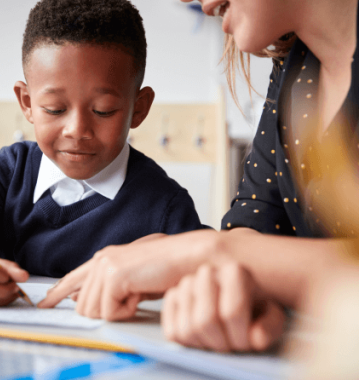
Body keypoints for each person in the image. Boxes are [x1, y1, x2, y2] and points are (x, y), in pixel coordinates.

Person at [39, 0, 359, 353]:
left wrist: (208, 253)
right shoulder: (293, 70)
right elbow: (255, 224)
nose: (205, 5)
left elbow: (236, 251)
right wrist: (239, 290)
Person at [0, 0, 208, 307]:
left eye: (103, 111)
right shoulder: (7, 173)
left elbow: (208, 272)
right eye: (55, 109)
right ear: (27, 102)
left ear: (139, 108)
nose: (77, 130)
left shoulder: (166, 208)